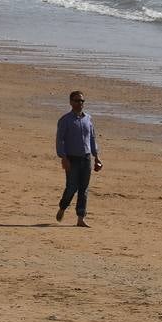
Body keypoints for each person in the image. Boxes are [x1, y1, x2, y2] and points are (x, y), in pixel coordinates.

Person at [55, 91, 102, 226]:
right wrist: (63, 157)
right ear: (70, 102)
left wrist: (97, 157)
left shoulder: (88, 119)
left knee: (84, 189)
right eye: (76, 101)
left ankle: (81, 218)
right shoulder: (65, 120)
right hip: (72, 159)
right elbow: (60, 141)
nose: (79, 104)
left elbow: (92, 139)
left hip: (86, 158)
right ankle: (63, 207)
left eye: (82, 101)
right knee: (71, 187)